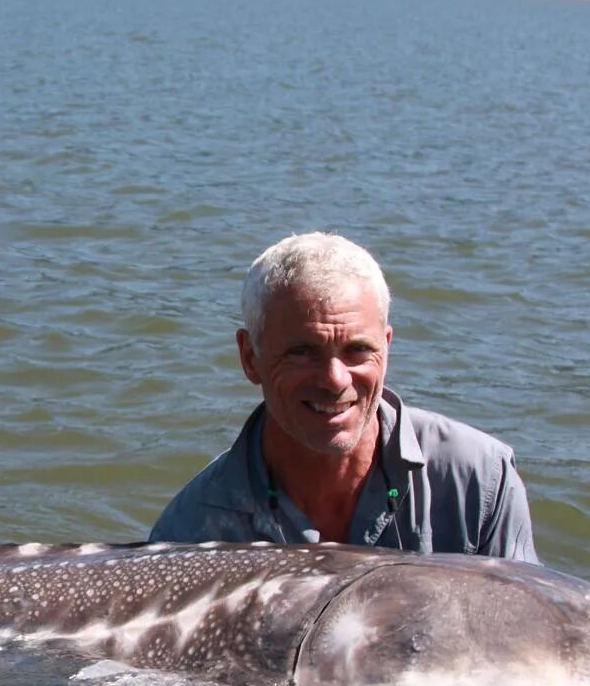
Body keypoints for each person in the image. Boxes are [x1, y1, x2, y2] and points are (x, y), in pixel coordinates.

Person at [151, 233, 538, 560]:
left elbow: (532, 638)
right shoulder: (189, 535)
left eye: (357, 350)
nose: (335, 380)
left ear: (386, 349)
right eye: (302, 352)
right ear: (250, 358)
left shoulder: (480, 482)